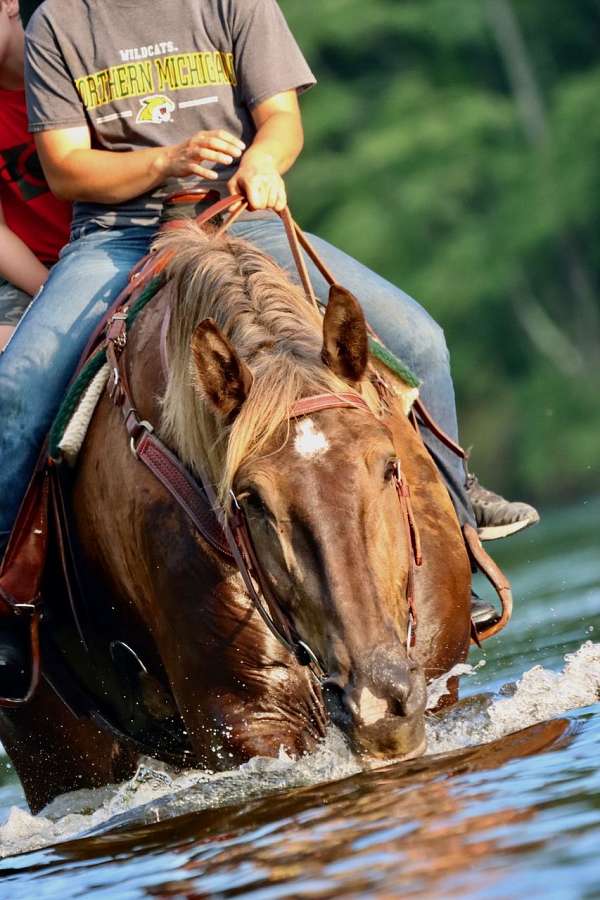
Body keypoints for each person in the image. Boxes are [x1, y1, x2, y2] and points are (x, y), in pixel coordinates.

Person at [0, 0, 538, 692]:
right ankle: (12, 606)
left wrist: (262, 161)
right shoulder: (59, 23)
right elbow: (69, 168)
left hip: (239, 216)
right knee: (15, 390)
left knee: (421, 342)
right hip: (116, 236)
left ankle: (457, 530)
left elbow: (280, 117)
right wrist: (168, 160)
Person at [0, 0, 70, 351]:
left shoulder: (75, 60)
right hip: (36, 271)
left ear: (9, 3)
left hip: (120, 248)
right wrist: (54, 291)